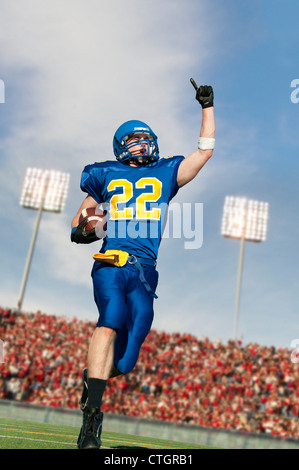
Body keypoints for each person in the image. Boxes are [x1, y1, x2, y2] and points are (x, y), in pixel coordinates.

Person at [71, 80, 215, 449]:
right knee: (110, 319)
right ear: (122, 147)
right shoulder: (104, 174)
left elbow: (203, 154)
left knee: (129, 357)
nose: (142, 144)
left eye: (145, 138)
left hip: (146, 271)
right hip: (112, 261)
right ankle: (92, 421)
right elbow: (79, 223)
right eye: (134, 140)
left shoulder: (166, 172)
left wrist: (207, 108)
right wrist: (86, 229)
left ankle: (93, 381)